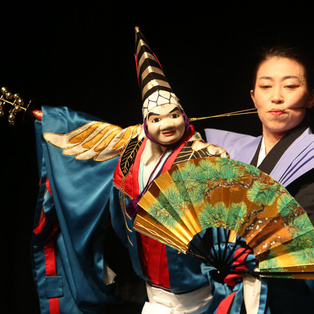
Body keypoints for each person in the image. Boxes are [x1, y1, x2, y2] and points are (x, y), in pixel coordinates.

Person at [31, 27, 229, 313]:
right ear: (145, 124)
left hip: (198, 288)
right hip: (151, 285)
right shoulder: (133, 149)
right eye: (157, 118)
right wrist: (46, 118)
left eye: (174, 115)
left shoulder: (205, 155)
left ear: (185, 116)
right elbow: (90, 133)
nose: (168, 124)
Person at [205, 46, 314, 313]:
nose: (277, 97)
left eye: (290, 86)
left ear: (311, 97)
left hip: (295, 297)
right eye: (266, 86)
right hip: (233, 294)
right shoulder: (231, 155)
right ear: (253, 97)